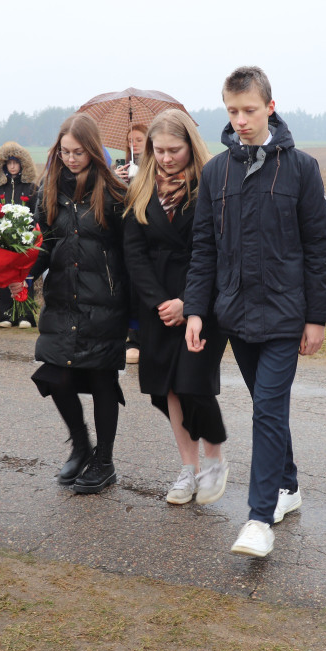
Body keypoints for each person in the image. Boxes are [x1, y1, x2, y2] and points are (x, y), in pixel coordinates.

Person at [184, 66, 326, 558]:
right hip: (234, 314)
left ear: (270, 106)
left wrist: (317, 317)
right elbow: (203, 248)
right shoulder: (216, 172)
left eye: (249, 110)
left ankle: (258, 518)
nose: (241, 120)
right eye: (232, 111)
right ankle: (287, 485)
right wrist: (197, 311)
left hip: (285, 314)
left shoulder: (302, 169)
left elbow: (319, 246)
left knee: (268, 408)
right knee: (267, 407)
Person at [16, 113, 128, 494]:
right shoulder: (50, 189)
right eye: (64, 151)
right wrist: (27, 274)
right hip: (63, 299)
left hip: (105, 304)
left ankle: (106, 462)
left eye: (78, 152)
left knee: (101, 381)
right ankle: (81, 445)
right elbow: (44, 243)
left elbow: (131, 253)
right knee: (55, 374)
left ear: (93, 151)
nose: (71, 158)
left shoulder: (114, 192)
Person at [123, 109, 230, 505]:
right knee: (164, 389)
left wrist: (189, 303)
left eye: (174, 149)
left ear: (191, 146)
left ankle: (215, 457)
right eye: (159, 150)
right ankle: (189, 469)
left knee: (193, 383)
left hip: (202, 300)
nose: (166, 158)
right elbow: (133, 252)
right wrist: (159, 303)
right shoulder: (141, 188)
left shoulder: (211, 186)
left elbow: (218, 252)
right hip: (157, 304)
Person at [0, 141, 39, 328]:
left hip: (25, 238)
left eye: (16, 162)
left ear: (22, 164)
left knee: (25, 275)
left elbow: (37, 212)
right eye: (9, 163)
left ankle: (25, 314)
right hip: (3, 239)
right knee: (4, 275)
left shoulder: (31, 187)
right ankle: (6, 314)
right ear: (3, 165)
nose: (12, 166)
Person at [115, 124, 148, 365]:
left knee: (143, 288)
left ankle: (145, 338)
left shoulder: (156, 167)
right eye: (130, 140)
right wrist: (117, 182)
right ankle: (132, 338)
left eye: (138, 139)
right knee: (128, 289)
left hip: (149, 235)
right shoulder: (121, 169)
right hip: (125, 235)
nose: (134, 143)